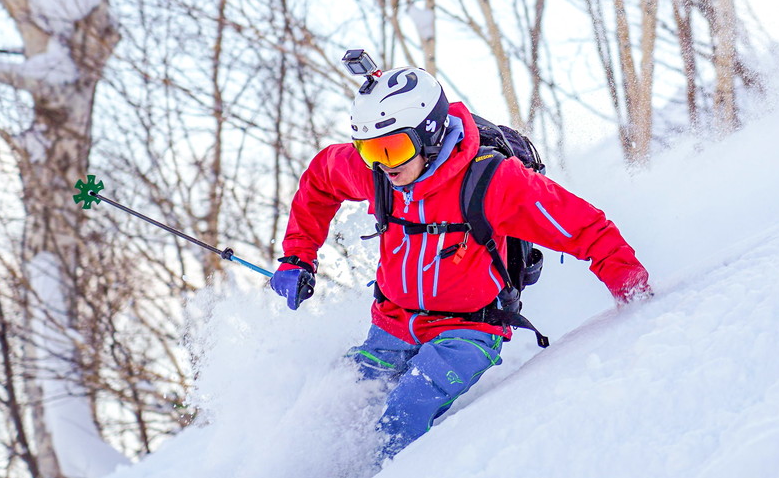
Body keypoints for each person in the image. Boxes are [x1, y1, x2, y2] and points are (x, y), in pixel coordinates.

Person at [270, 66, 650, 458]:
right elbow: (320, 179)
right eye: (369, 150)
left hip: (468, 329)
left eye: (393, 149)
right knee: (338, 403)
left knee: (405, 410)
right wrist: (298, 255)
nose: (383, 165)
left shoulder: (495, 182)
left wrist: (633, 289)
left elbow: (583, 227)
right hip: (393, 323)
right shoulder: (379, 174)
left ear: (430, 133)